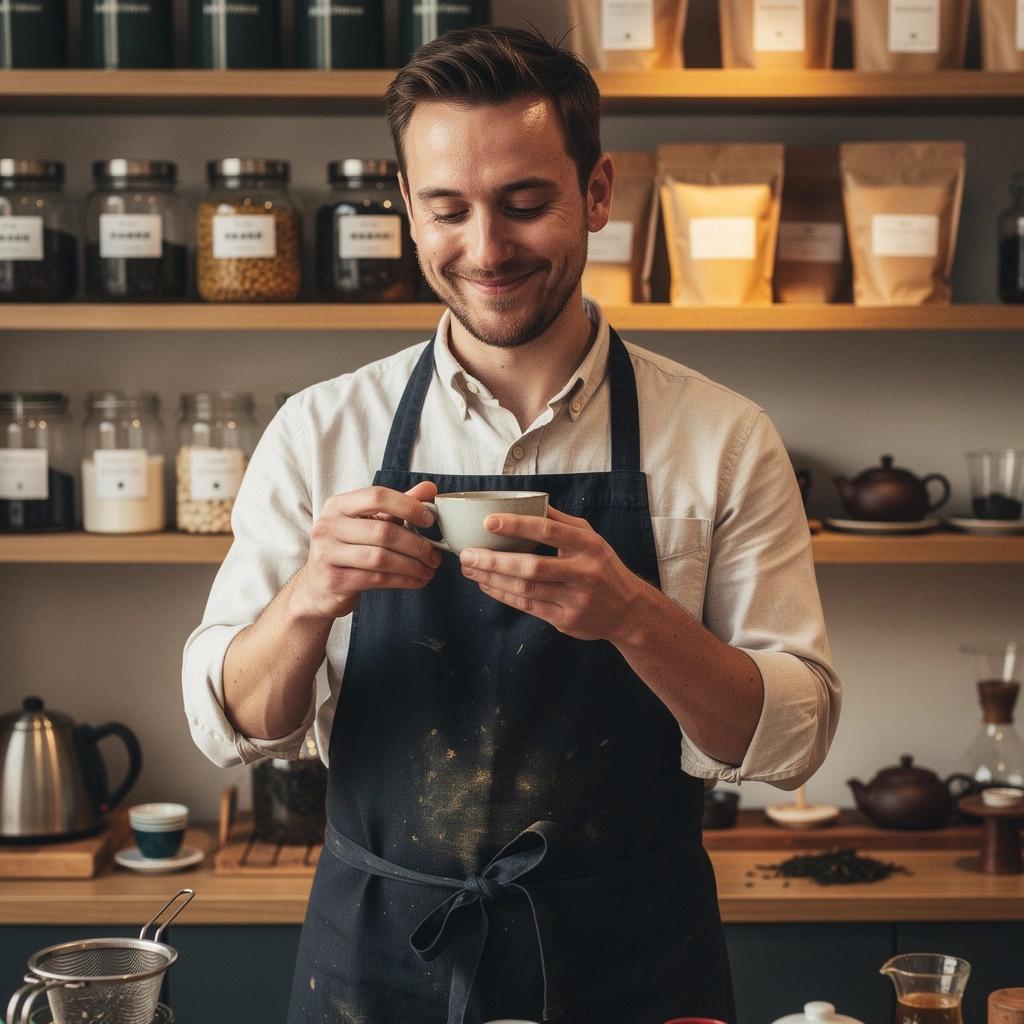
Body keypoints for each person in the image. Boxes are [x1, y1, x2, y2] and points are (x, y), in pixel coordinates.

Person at [182, 25, 841, 1024]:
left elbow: (790, 739)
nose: (485, 250)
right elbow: (237, 723)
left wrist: (634, 616)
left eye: (525, 204)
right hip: (381, 959)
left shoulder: (719, 437)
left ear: (598, 192)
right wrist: (310, 598)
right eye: (447, 209)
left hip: (632, 956)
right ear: (406, 207)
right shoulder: (322, 430)